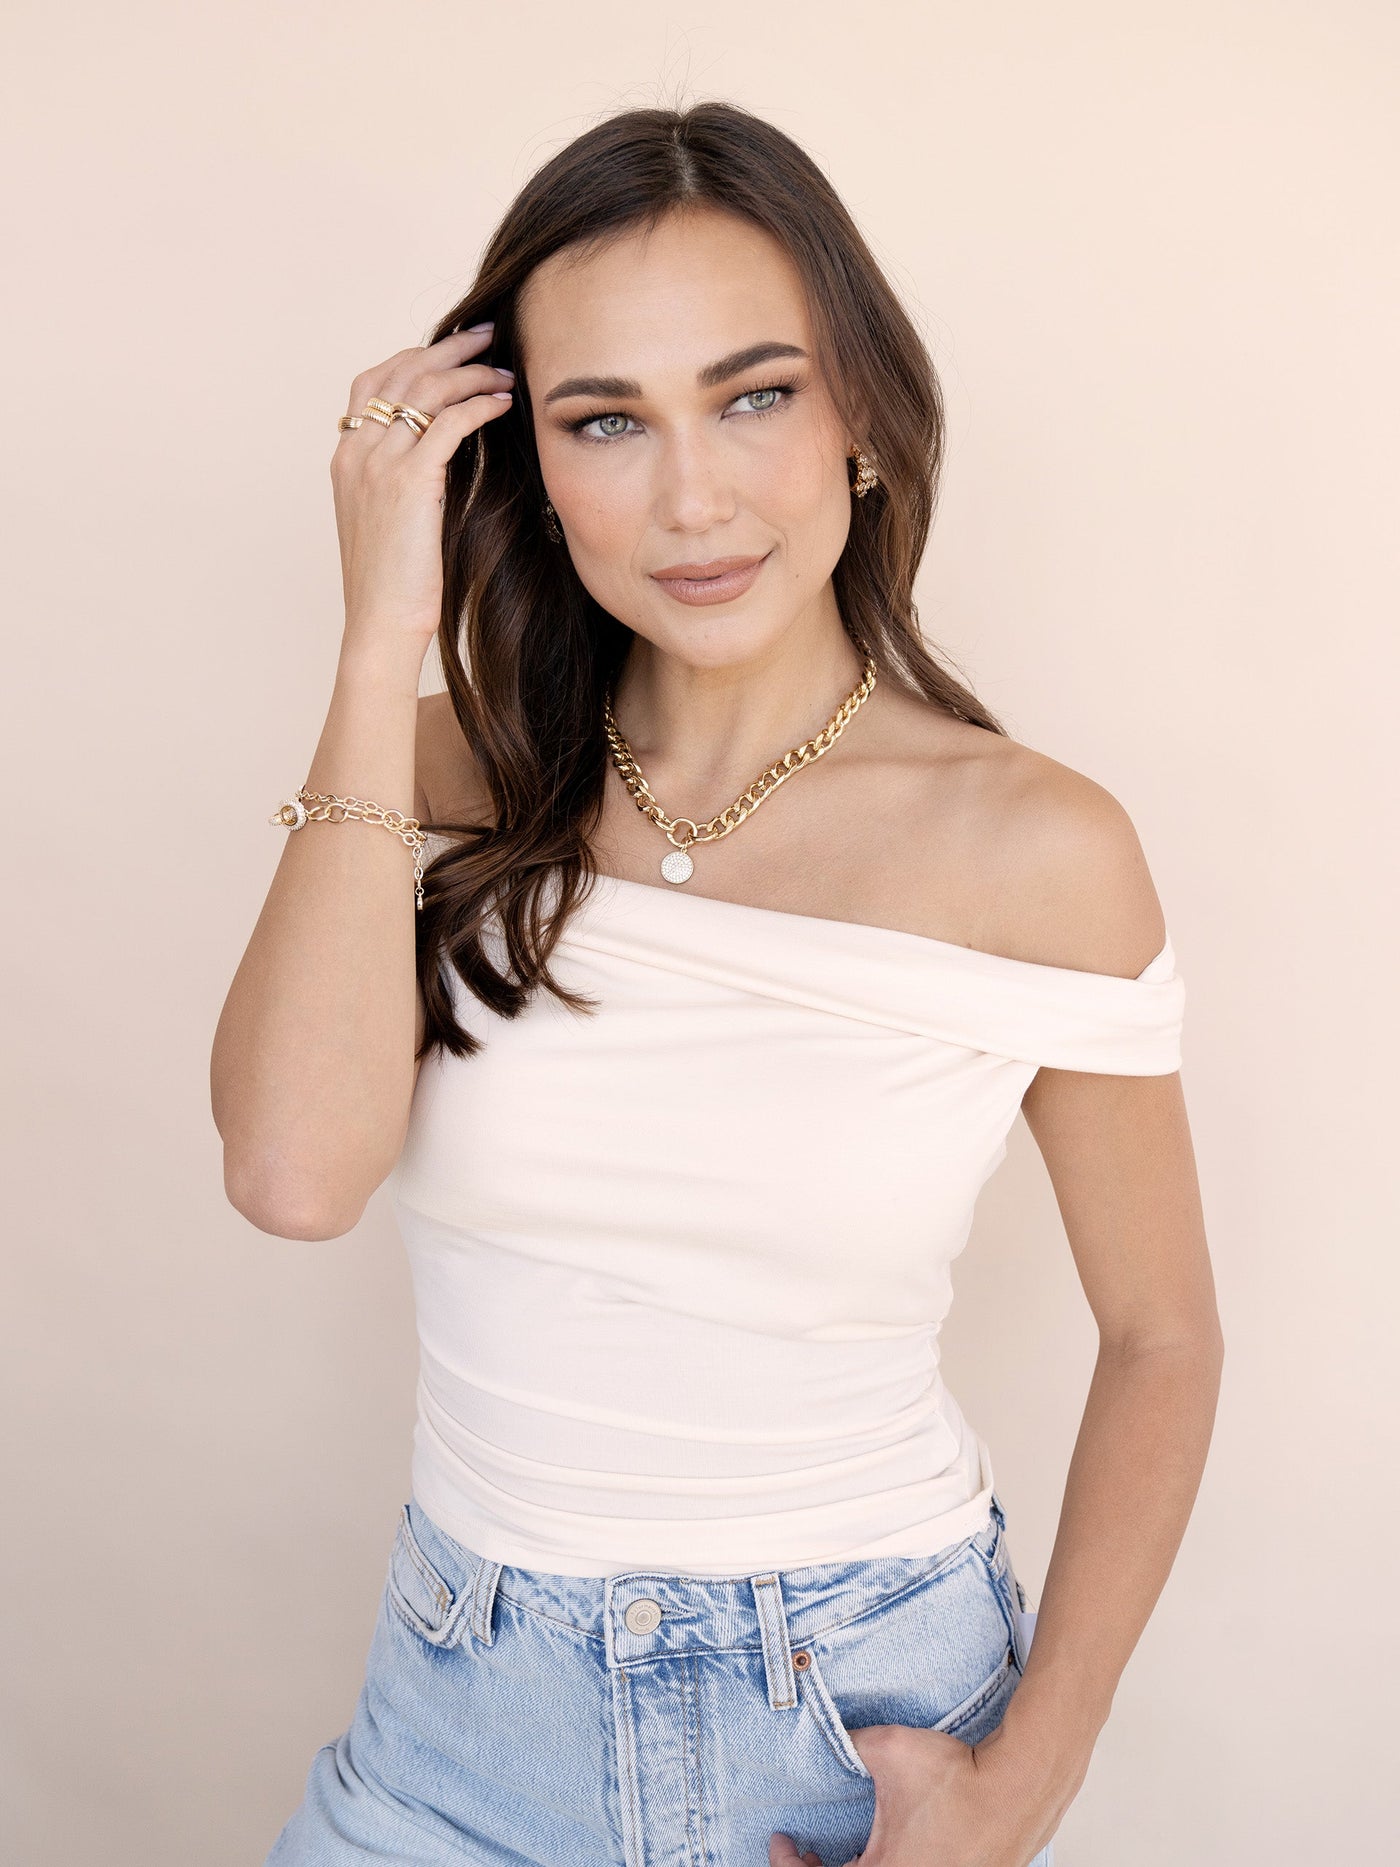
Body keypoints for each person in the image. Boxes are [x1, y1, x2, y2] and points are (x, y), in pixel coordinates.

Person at [212, 99, 1222, 1867]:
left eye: (754, 394)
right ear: (526, 466)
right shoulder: (439, 773)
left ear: (861, 421)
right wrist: (380, 627)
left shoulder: (1034, 848)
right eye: (607, 421)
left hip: (851, 1725)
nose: (692, 496)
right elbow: (293, 1177)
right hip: (457, 1723)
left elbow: (1162, 1336)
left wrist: (1029, 1778)